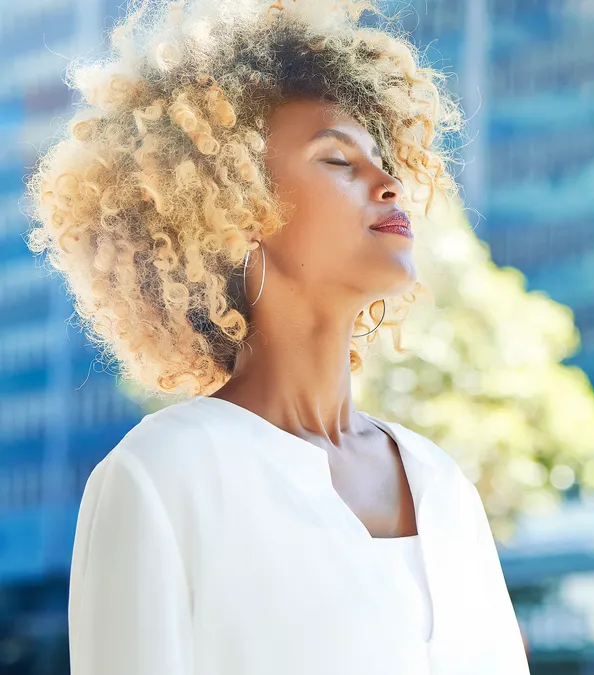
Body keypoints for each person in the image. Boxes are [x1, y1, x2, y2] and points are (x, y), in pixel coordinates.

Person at [25, 0, 529, 673]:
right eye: (338, 161)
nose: (388, 185)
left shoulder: (443, 485)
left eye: (382, 161)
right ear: (236, 209)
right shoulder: (161, 477)